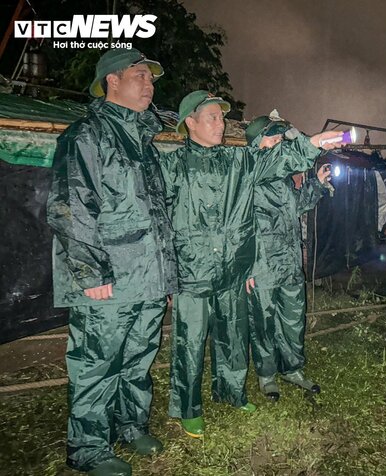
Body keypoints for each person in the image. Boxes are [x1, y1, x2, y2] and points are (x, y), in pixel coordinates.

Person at [162, 92, 344, 439]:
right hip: (194, 271)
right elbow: (162, 221)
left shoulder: (236, 162)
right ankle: (188, 408)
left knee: (232, 335)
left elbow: (276, 161)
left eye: (222, 117)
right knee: (190, 342)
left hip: (233, 269)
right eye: (213, 117)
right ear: (190, 122)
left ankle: (231, 391)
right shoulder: (173, 165)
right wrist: (169, 274)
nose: (221, 124)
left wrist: (310, 143)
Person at [46, 48, 176, 476]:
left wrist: (165, 273)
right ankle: (87, 449)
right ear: (112, 82)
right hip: (109, 278)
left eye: (151, 78)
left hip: (147, 276)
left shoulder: (144, 142)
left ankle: (130, 424)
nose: (149, 84)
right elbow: (70, 205)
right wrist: (90, 272)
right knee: (98, 363)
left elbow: (156, 213)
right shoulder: (87, 135)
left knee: (137, 356)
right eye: (139, 75)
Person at [244, 115, 333, 401]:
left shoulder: (281, 182)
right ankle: (267, 375)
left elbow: (299, 205)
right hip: (262, 264)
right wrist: (313, 143)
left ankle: (292, 368)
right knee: (264, 323)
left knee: (293, 319)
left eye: (281, 138)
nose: (279, 142)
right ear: (257, 143)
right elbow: (283, 160)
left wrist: (316, 185)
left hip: (289, 262)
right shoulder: (253, 171)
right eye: (273, 138)